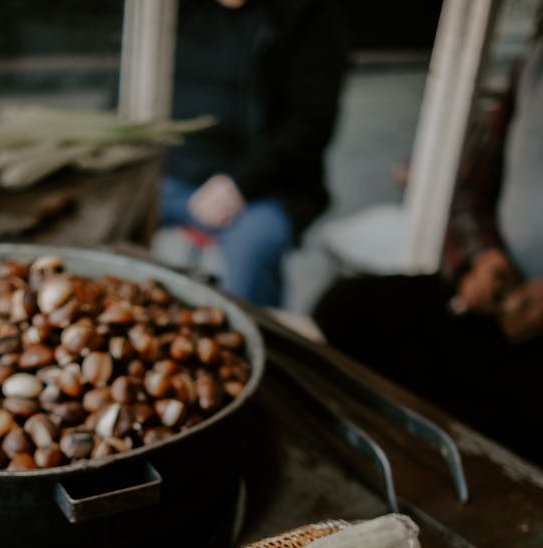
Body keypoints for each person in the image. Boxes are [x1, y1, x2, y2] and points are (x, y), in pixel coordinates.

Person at [313, 16, 543, 467]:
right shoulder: (532, 64)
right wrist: (481, 259)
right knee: (346, 310)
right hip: (497, 303)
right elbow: (471, 190)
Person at [162, 0, 348, 309]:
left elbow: (310, 124)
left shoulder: (305, 16)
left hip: (263, 184)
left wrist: (240, 183)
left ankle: (261, 341)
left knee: (253, 249)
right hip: (170, 171)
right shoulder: (176, 11)